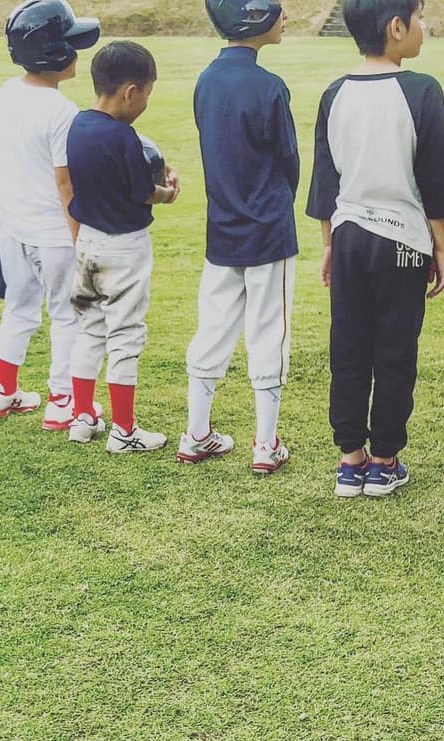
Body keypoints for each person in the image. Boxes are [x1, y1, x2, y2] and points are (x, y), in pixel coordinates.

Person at [306, 0, 444, 498]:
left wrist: (329, 244)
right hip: (402, 242)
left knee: (348, 347)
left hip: (349, 238)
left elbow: (326, 179)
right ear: (396, 28)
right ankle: (384, 460)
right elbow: (433, 176)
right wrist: (441, 247)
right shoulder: (421, 90)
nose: (424, 27)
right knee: (395, 351)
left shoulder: (335, 93)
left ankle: (349, 460)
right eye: (419, 18)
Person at [179, 0, 300, 475]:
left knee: (213, 327)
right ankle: (265, 444)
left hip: (221, 225)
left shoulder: (206, 80)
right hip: (268, 228)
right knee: (270, 331)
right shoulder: (270, 86)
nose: (285, 16)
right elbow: (288, 159)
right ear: (254, 19)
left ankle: (197, 432)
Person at [0, 0, 100, 424]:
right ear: (53, 53)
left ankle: (2, 390)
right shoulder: (62, 112)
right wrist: (79, 236)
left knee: (20, 306)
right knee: (67, 314)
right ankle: (62, 399)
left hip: (14, 225)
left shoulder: (6, 93)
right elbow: (65, 183)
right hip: (52, 230)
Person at [63, 40, 181, 453]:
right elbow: (142, 192)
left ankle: (82, 416)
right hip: (125, 247)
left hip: (88, 242)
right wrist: (169, 193)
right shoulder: (125, 137)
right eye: (147, 93)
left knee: (90, 329)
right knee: (126, 335)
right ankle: (124, 431)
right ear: (131, 91)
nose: (146, 102)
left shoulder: (77, 125)